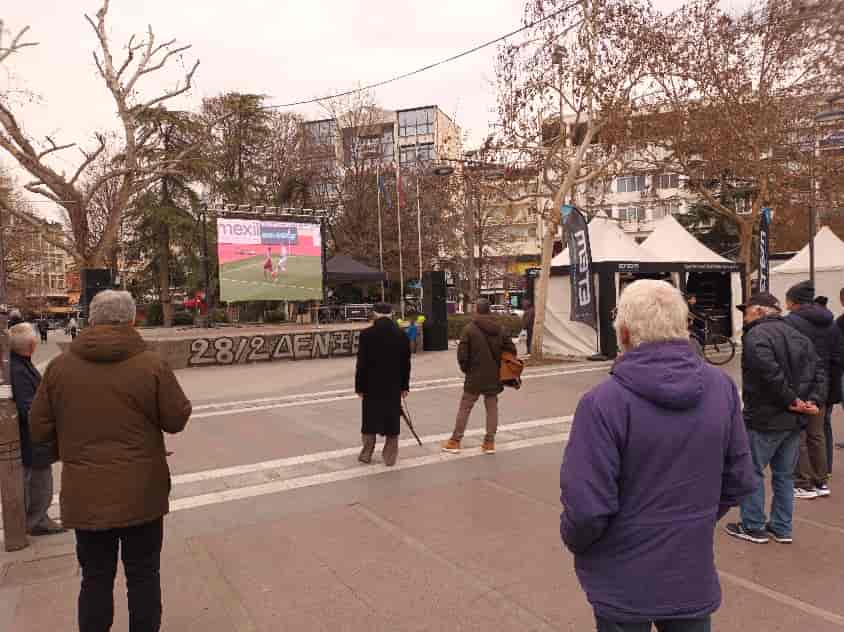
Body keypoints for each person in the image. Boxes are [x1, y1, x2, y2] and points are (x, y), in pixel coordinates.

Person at [560, 280, 755, 632]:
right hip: (689, 571)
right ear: (684, 326)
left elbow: (586, 508)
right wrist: (694, 520)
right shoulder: (722, 389)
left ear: (623, 333)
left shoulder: (602, 403)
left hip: (620, 577)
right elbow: (739, 478)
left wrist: (576, 542)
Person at [29, 290, 192, 632]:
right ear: (131, 319)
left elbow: (38, 428)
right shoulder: (151, 364)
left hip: (85, 494)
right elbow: (176, 419)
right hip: (142, 493)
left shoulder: (59, 368)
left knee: (95, 578)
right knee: (144, 576)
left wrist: (72, 446)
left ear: (92, 319)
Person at [725, 292, 825, 545]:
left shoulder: (757, 336)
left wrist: (794, 400)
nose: (744, 317)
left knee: (754, 472)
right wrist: (810, 401)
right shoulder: (798, 335)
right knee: (784, 475)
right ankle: (782, 527)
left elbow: (768, 374)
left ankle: (754, 525)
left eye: (746, 311)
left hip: (766, 417)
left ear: (759, 311)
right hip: (793, 417)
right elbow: (818, 371)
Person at [783, 280, 844, 498]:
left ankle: (803, 481)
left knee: (799, 433)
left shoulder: (790, 323)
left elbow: (786, 355)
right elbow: (838, 357)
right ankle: (821, 480)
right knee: (817, 434)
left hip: (801, 384)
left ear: (794, 301)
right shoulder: (831, 322)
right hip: (825, 384)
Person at [9, 323, 65, 536]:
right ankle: (37, 520)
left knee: (36, 480)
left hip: (31, 437)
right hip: (32, 438)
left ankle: (37, 518)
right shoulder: (18, 370)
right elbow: (29, 407)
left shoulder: (18, 365)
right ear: (32, 345)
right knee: (39, 481)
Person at [442, 298, 517, 455]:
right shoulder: (500, 329)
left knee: (465, 407)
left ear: (477, 309)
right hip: (494, 375)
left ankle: (455, 441)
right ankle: (489, 443)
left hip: (474, 376)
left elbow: (462, 355)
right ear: (489, 310)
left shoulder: (469, 329)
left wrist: (466, 369)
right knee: (492, 408)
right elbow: (512, 350)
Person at [355, 302, 411, 467]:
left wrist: (359, 387)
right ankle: (390, 457)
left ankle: (366, 454)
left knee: (369, 419)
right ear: (391, 313)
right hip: (393, 384)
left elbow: (361, 364)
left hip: (371, 385)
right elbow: (405, 364)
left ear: (375, 314)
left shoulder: (366, 334)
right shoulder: (401, 335)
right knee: (392, 420)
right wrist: (404, 386)